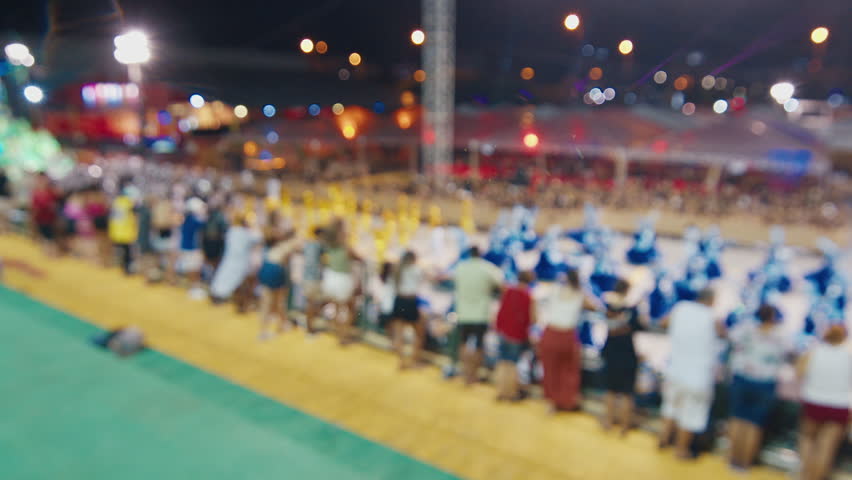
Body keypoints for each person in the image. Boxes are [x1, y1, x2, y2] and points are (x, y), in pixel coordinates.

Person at [725, 304, 790, 471]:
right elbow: (789, 353)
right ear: (774, 317)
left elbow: (730, 337)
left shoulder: (746, 329)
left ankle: (731, 459)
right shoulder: (780, 335)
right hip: (765, 383)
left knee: (737, 419)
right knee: (754, 424)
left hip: (742, 378)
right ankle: (744, 464)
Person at [658, 288, 719, 459]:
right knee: (692, 413)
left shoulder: (681, 308)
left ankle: (663, 439)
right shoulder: (711, 316)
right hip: (698, 375)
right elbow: (723, 333)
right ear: (712, 300)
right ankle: (681, 449)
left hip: (675, 368)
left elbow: (663, 322)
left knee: (670, 406)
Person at [796, 324, 851, 480]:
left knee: (807, 440)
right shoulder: (848, 356)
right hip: (839, 405)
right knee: (826, 447)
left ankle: (805, 475)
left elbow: (799, 374)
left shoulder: (812, 353)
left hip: (814, 401)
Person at [537, 270, 592, 412]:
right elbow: (596, 306)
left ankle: (551, 403)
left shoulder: (554, 290)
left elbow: (538, 295)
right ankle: (566, 401)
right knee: (569, 370)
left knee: (550, 370)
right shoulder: (580, 294)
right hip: (567, 336)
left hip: (550, 333)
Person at [601, 279, 647, 434]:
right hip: (627, 354)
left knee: (610, 389)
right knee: (627, 392)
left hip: (611, 353)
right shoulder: (632, 311)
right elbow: (642, 325)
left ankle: (608, 421)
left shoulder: (607, 307)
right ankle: (624, 426)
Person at [452, 246, 503, 385]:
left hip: (463, 313)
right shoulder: (487, 268)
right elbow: (501, 282)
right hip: (480, 313)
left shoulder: (461, 267)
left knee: (463, 343)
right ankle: (473, 375)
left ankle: (465, 372)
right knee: (479, 345)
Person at [493, 270, 536, 401]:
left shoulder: (508, 291)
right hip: (516, 334)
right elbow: (533, 318)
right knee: (512, 364)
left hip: (503, 332)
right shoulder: (529, 296)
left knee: (502, 362)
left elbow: (500, 311)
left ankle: (501, 391)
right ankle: (510, 393)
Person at [321, 224, 362, 345]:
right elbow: (358, 257)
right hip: (342, 280)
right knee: (350, 308)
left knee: (337, 309)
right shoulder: (345, 247)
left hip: (330, 278)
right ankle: (343, 335)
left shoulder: (329, 246)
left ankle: (339, 332)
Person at [257, 229, 299, 339]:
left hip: (267, 268)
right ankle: (278, 325)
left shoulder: (273, 247)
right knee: (278, 301)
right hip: (276, 270)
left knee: (269, 302)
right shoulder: (287, 245)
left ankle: (275, 326)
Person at [209, 212, 261, 303]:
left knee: (224, 276)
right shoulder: (246, 233)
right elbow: (258, 238)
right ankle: (221, 295)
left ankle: (218, 294)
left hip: (230, 258)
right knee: (233, 278)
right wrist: (253, 227)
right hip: (238, 260)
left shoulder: (233, 230)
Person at [390, 251, 425, 369]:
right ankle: (414, 361)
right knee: (419, 333)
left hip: (399, 300)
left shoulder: (398, 270)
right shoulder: (416, 270)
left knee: (399, 334)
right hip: (410, 301)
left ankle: (402, 361)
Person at [177, 197, 206, 299]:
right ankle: (193, 288)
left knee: (191, 268)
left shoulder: (186, 218)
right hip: (191, 248)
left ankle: (193, 287)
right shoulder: (192, 219)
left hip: (186, 247)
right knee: (193, 268)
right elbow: (204, 224)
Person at [30, 173, 59, 256]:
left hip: (50, 218)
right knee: (43, 235)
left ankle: (52, 252)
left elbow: (56, 202)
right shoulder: (35, 192)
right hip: (40, 218)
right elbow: (34, 206)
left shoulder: (51, 191)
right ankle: (46, 252)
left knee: (51, 235)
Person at [0, 167, 11, 233]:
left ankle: (5, 229)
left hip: (5, 198)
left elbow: (8, 188)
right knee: (3, 215)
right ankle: (3, 229)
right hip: (3, 198)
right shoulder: (6, 179)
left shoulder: (6, 179)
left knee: (4, 215)